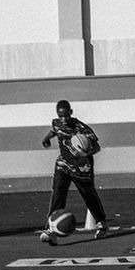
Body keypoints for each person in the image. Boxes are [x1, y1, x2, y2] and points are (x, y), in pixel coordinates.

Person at [40, 99, 107, 243]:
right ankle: (51, 228)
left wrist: (84, 154)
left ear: (71, 112)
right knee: (58, 193)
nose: (64, 119)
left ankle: (101, 223)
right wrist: (46, 139)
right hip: (63, 164)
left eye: (66, 115)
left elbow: (97, 147)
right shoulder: (57, 123)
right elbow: (53, 131)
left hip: (81, 166)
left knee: (88, 193)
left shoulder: (81, 128)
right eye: (61, 116)